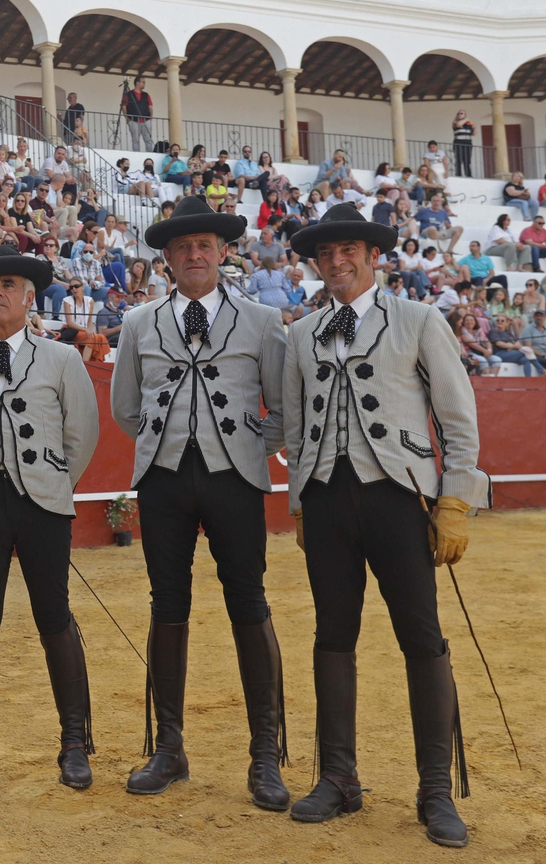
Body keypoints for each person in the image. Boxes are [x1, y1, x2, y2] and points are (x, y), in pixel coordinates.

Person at [282, 204, 490, 847]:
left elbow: (457, 417)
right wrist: (298, 503)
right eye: (326, 253)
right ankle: (338, 777)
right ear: (316, 263)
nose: (337, 261)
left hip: (399, 498)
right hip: (326, 502)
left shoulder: (419, 318)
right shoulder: (301, 333)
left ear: (372, 256)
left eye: (349, 250)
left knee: (422, 637)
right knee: (332, 634)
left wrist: (454, 499)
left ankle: (434, 789)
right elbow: (294, 426)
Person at [111, 195, 290, 810]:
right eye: (182, 246)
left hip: (234, 478)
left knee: (248, 599)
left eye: (205, 244)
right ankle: (170, 746)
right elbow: (126, 409)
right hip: (163, 477)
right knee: (168, 602)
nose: (194, 254)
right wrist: (169, 444)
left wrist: (245, 445)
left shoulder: (263, 321)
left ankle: (265, 753)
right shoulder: (139, 323)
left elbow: (282, 410)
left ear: (223, 251)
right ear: (166, 258)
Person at [0, 245, 101, 790]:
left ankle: (74, 743)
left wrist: (52, 483)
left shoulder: (62, 359)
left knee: (54, 616)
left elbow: (81, 435)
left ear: (30, 297)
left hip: (42, 505)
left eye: (7, 284)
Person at [59, 278, 109, 362]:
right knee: (94, 338)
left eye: (76, 286)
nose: (74, 289)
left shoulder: (90, 301)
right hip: (72, 331)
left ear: (82, 287)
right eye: (71, 287)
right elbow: (70, 323)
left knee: (100, 337)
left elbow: (89, 321)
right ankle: (85, 364)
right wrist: (86, 330)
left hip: (84, 331)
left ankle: (92, 363)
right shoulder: (67, 301)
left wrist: (89, 330)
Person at [121, 76, 155, 152]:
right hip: (133, 120)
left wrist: (151, 118)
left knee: (148, 139)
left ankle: (150, 154)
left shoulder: (146, 95)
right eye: (143, 82)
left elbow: (150, 106)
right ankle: (137, 154)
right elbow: (124, 107)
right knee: (135, 139)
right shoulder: (128, 95)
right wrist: (127, 119)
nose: (144, 84)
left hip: (146, 120)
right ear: (137, 83)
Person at [450, 111, 474, 178]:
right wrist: (466, 119)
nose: (459, 115)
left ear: (465, 115)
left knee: (467, 160)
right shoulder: (455, 122)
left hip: (468, 144)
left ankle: (468, 175)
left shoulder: (469, 124)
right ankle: (458, 175)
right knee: (458, 160)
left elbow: (473, 133)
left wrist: (472, 125)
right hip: (458, 144)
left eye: (461, 113)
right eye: (458, 113)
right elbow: (458, 125)